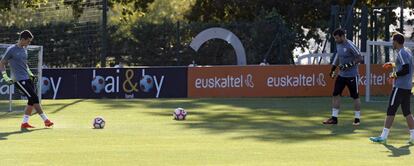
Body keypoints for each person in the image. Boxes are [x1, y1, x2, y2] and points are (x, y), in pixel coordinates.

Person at [0, 30, 54, 129]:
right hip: (19, 80)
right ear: (23, 39)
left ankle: (24, 123)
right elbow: (2, 63)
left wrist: (31, 74)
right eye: (28, 41)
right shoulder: (11, 49)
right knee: (34, 98)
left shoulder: (24, 49)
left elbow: (25, 65)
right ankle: (46, 120)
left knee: (31, 101)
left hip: (27, 78)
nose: (29, 43)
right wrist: (5, 76)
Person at [370, 33, 414, 144]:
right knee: (407, 112)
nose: (391, 43)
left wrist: (393, 75)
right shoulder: (407, 51)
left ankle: (383, 137)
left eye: (392, 41)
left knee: (391, 110)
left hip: (400, 87)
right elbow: (404, 65)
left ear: (396, 42)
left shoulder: (401, 53)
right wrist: (392, 64)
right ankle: (413, 137)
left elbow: (406, 69)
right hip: (407, 87)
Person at [323, 28, 363, 126]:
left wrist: (348, 65)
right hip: (341, 75)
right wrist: (333, 68)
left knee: (355, 97)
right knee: (335, 94)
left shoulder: (350, 45)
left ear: (342, 36)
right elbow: (338, 57)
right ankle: (334, 118)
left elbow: (359, 58)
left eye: (337, 38)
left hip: (352, 76)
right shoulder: (338, 44)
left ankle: (357, 119)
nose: (336, 40)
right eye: (335, 38)